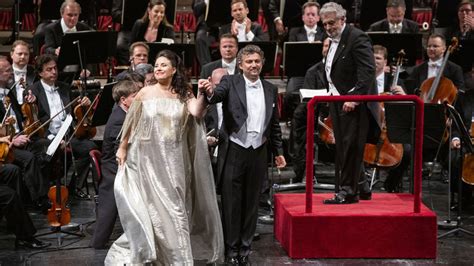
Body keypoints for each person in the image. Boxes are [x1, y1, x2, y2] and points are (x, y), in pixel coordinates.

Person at [105, 50, 224, 265]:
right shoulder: (144, 93)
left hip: (175, 160)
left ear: (174, 69)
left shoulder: (183, 93)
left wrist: (204, 94)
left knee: (176, 208)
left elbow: (197, 112)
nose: (158, 68)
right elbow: (131, 123)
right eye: (156, 65)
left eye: (163, 65)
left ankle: (178, 258)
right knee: (152, 210)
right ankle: (162, 256)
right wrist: (123, 147)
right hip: (147, 159)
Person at [200, 44, 286, 264]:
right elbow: (216, 96)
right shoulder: (230, 81)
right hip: (236, 149)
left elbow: (274, 124)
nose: (253, 65)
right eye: (249, 62)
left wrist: (278, 151)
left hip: (258, 151)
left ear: (262, 63)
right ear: (240, 65)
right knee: (231, 204)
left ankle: (245, 251)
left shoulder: (270, 88)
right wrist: (209, 90)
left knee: (251, 204)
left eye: (257, 61)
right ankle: (231, 252)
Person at [319, 2, 379, 204]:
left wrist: (354, 98)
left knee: (350, 146)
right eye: (325, 24)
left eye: (331, 23)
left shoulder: (357, 37)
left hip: (353, 102)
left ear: (343, 19)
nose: (328, 27)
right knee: (345, 145)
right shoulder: (333, 39)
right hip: (337, 100)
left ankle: (348, 192)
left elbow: (368, 71)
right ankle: (361, 186)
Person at [30, 54, 98, 200]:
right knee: (51, 151)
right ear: (40, 73)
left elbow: (75, 111)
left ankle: (74, 186)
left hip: (68, 134)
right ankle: (49, 190)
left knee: (90, 147)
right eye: (49, 69)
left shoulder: (64, 87)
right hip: (47, 136)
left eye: (55, 68)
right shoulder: (33, 91)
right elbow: (35, 121)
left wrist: (84, 103)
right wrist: (53, 139)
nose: (54, 72)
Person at [90, 80, 142, 249]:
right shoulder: (119, 119)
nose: (139, 99)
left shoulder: (124, 113)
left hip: (116, 165)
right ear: (123, 99)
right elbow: (120, 151)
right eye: (135, 96)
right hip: (114, 169)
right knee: (108, 211)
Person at [289, 37, 330, 183]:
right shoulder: (313, 71)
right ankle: (302, 170)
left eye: (331, 45)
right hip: (317, 111)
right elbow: (308, 96)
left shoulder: (346, 68)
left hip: (338, 110)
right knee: (300, 117)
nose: (327, 48)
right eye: (325, 45)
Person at [284, 1, 326, 122]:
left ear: (319, 17)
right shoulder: (294, 32)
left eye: (313, 14)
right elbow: (291, 55)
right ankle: (293, 119)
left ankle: (318, 120)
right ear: (302, 17)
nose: (310, 17)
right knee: (289, 95)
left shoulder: (324, 33)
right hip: (298, 73)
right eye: (307, 14)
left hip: (319, 74)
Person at [204, 68, 228, 191]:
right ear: (210, 82)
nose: (221, 90)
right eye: (217, 85)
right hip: (209, 143)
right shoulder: (204, 102)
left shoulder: (236, 101)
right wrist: (206, 138)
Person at [111, 0, 149, 65]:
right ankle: (127, 69)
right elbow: (115, 12)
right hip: (127, 29)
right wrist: (126, 15)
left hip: (146, 28)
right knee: (120, 45)